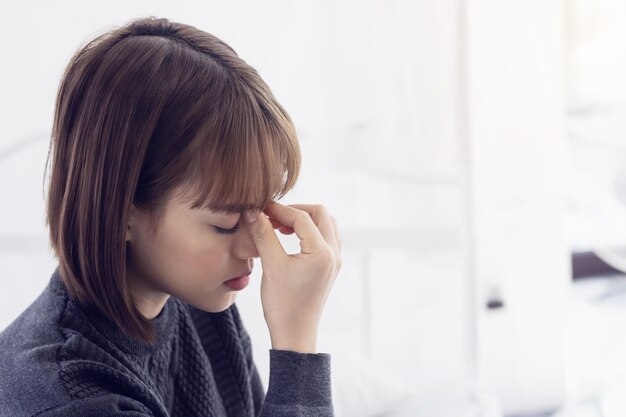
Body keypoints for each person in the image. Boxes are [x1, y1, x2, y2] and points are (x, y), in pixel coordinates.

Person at [0, 16, 342, 417]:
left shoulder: (200, 306)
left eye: (262, 211)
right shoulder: (66, 395)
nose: (258, 247)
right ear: (123, 212)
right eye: (226, 224)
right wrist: (297, 344)